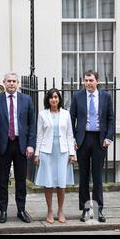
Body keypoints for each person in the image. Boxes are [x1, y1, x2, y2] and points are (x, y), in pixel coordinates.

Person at [0, 72, 36, 223]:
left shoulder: (26, 99)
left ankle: (21, 210)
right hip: (3, 146)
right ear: (3, 82)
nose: (11, 84)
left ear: (18, 84)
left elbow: (32, 124)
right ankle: (3, 210)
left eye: (14, 81)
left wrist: (30, 145)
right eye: (8, 81)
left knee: (21, 180)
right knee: (2, 180)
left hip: (21, 145)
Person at [70, 70, 114, 223]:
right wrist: (73, 139)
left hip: (99, 140)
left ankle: (98, 210)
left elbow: (111, 118)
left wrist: (109, 137)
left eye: (91, 80)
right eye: (86, 80)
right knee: (83, 177)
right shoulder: (77, 96)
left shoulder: (106, 96)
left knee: (97, 177)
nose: (88, 83)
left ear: (97, 81)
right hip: (82, 139)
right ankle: (85, 209)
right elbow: (71, 119)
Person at [34, 88, 75, 224]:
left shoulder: (66, 114)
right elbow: (39, 135)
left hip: (62, 152)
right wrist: (36, 154)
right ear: (48, 99)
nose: (54, 100)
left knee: (61, 183)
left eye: (56, 97)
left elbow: (70, 135)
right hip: (47, 152)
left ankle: (61, 210)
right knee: (48, 183)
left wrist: (72, 153)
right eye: (51, 97)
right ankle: (50, 210)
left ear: (59, 99)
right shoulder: (42, 114)